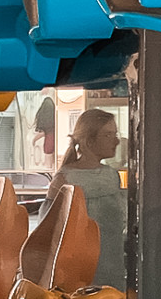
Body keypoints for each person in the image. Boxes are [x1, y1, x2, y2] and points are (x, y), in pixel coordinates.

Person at [45, 108, 126, 289]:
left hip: (112, 267)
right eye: (107, 135)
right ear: (89, 141)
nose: (116, 141)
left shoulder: (112, 176)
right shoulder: (63, 179)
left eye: (115, 134)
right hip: (77, 272)